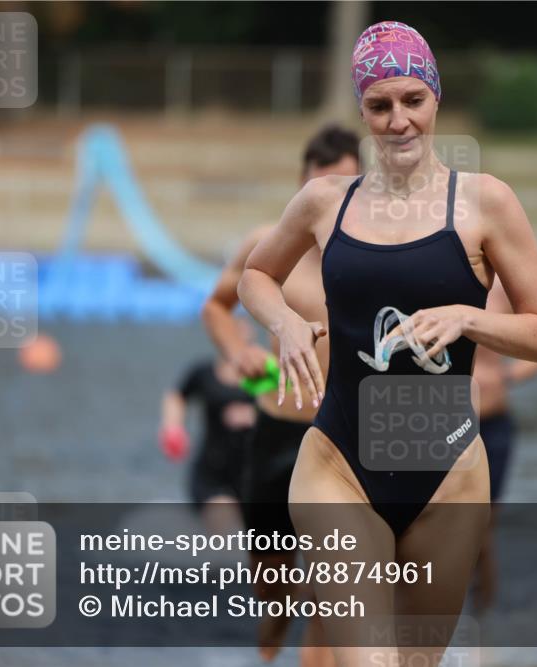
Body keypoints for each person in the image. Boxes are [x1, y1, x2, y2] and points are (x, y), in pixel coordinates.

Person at [237, 21, 537, 667]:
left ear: (436, 98)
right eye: (380, 104)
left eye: (413, 100)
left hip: (449, 478)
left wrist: (468, 318)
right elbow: (254, 275)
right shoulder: (325, 201)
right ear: (361, 110)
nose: (398, 120)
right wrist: (285, 322)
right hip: (338, 466)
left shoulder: (486, 203)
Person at [201, 124, 360, 664]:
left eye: (343, 187)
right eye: (320, 186)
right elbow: (217, 306)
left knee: (329, 591)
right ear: (301, 186)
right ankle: (272, 637)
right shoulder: (267, 245)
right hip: (275, 431)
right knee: (273, 593)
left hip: (341, 439)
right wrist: (238, 352)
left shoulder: (377, 257)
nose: (329, 199)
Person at [471, 277, 537, 610]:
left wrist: (505, 376)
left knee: (482, 530)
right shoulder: (433, 279)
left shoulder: (503, 291)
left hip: (492, 423)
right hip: (441, 424)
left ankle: (482, 616)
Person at [158, 356, 257, 536]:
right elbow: (177, 396)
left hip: (253, 476)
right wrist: (172, 428)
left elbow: (291, 402)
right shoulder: (204, 374)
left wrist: (254, 415)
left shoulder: (266, 374)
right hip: (212, 475)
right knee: (225, 525)